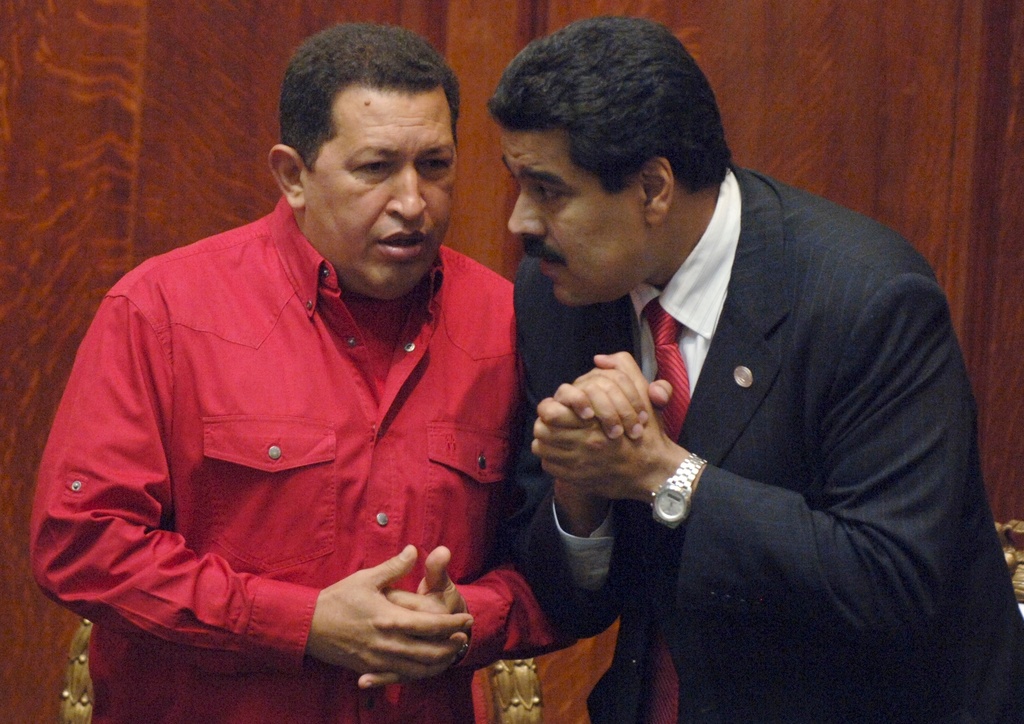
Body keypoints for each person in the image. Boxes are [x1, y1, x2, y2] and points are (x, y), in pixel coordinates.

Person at [489, 15, 1024, 723]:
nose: (519, 223)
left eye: (548, 190)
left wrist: (664, 475)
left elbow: (893, 581)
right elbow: (572, 602)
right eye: (517, 185)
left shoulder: (866, 300)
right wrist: (580, 491)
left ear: (653, 188)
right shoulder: (558, 294)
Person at [31, 22, 557, 723]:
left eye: (434, 165)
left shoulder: (509, 323)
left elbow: (563, 568)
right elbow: (81, 543)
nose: (412, 201)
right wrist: (301, 625)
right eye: (375, 168)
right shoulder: (163, 311)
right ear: (292, 176)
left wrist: (470, 617)